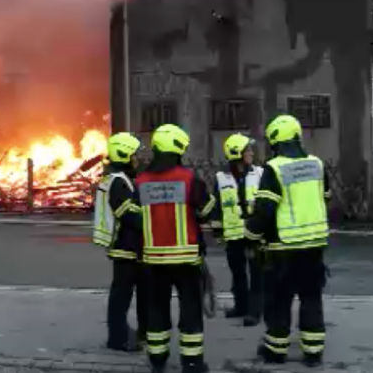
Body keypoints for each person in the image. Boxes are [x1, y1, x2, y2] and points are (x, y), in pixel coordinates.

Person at [245, 115, 331, 367]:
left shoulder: (275, 168)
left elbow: (265, 210)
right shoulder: (317, 164)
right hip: (315, 245)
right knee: (311, 298)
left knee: (279, 301)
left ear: (274, 141)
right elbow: (324, 197)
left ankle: (276, 351)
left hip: (284, 248)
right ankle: (313, 352)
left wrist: (250, 236)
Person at [136, 124, 216, 373]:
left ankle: (157, 359)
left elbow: (134, 217)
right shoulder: (189, 178)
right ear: (179, 147)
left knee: (156, 308)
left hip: (154, 259)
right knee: (190, 309)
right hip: (186, 259)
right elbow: (205, 211)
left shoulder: (140, 181)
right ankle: (192, 362)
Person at [92, 132, 147, 352]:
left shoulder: (121, 179)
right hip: (126, 248)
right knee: (122, 296)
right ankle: (117, 338)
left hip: (131, 248)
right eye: (134, 155)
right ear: (124, 155)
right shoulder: (118, 182)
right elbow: (130, 215)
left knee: (137, 294)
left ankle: (138, 334)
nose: (137, 159)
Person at [211, 133, 264, 327]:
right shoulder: (220, 177)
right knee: (238, 273)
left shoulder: (259, 173)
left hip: (255, 233)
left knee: (257, 273)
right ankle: (241, 306)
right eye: (247, 150)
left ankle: (255, 311)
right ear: (237, 154)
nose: (251, 153)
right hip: (233, 235)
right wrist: (217, 232)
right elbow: (217, 206)